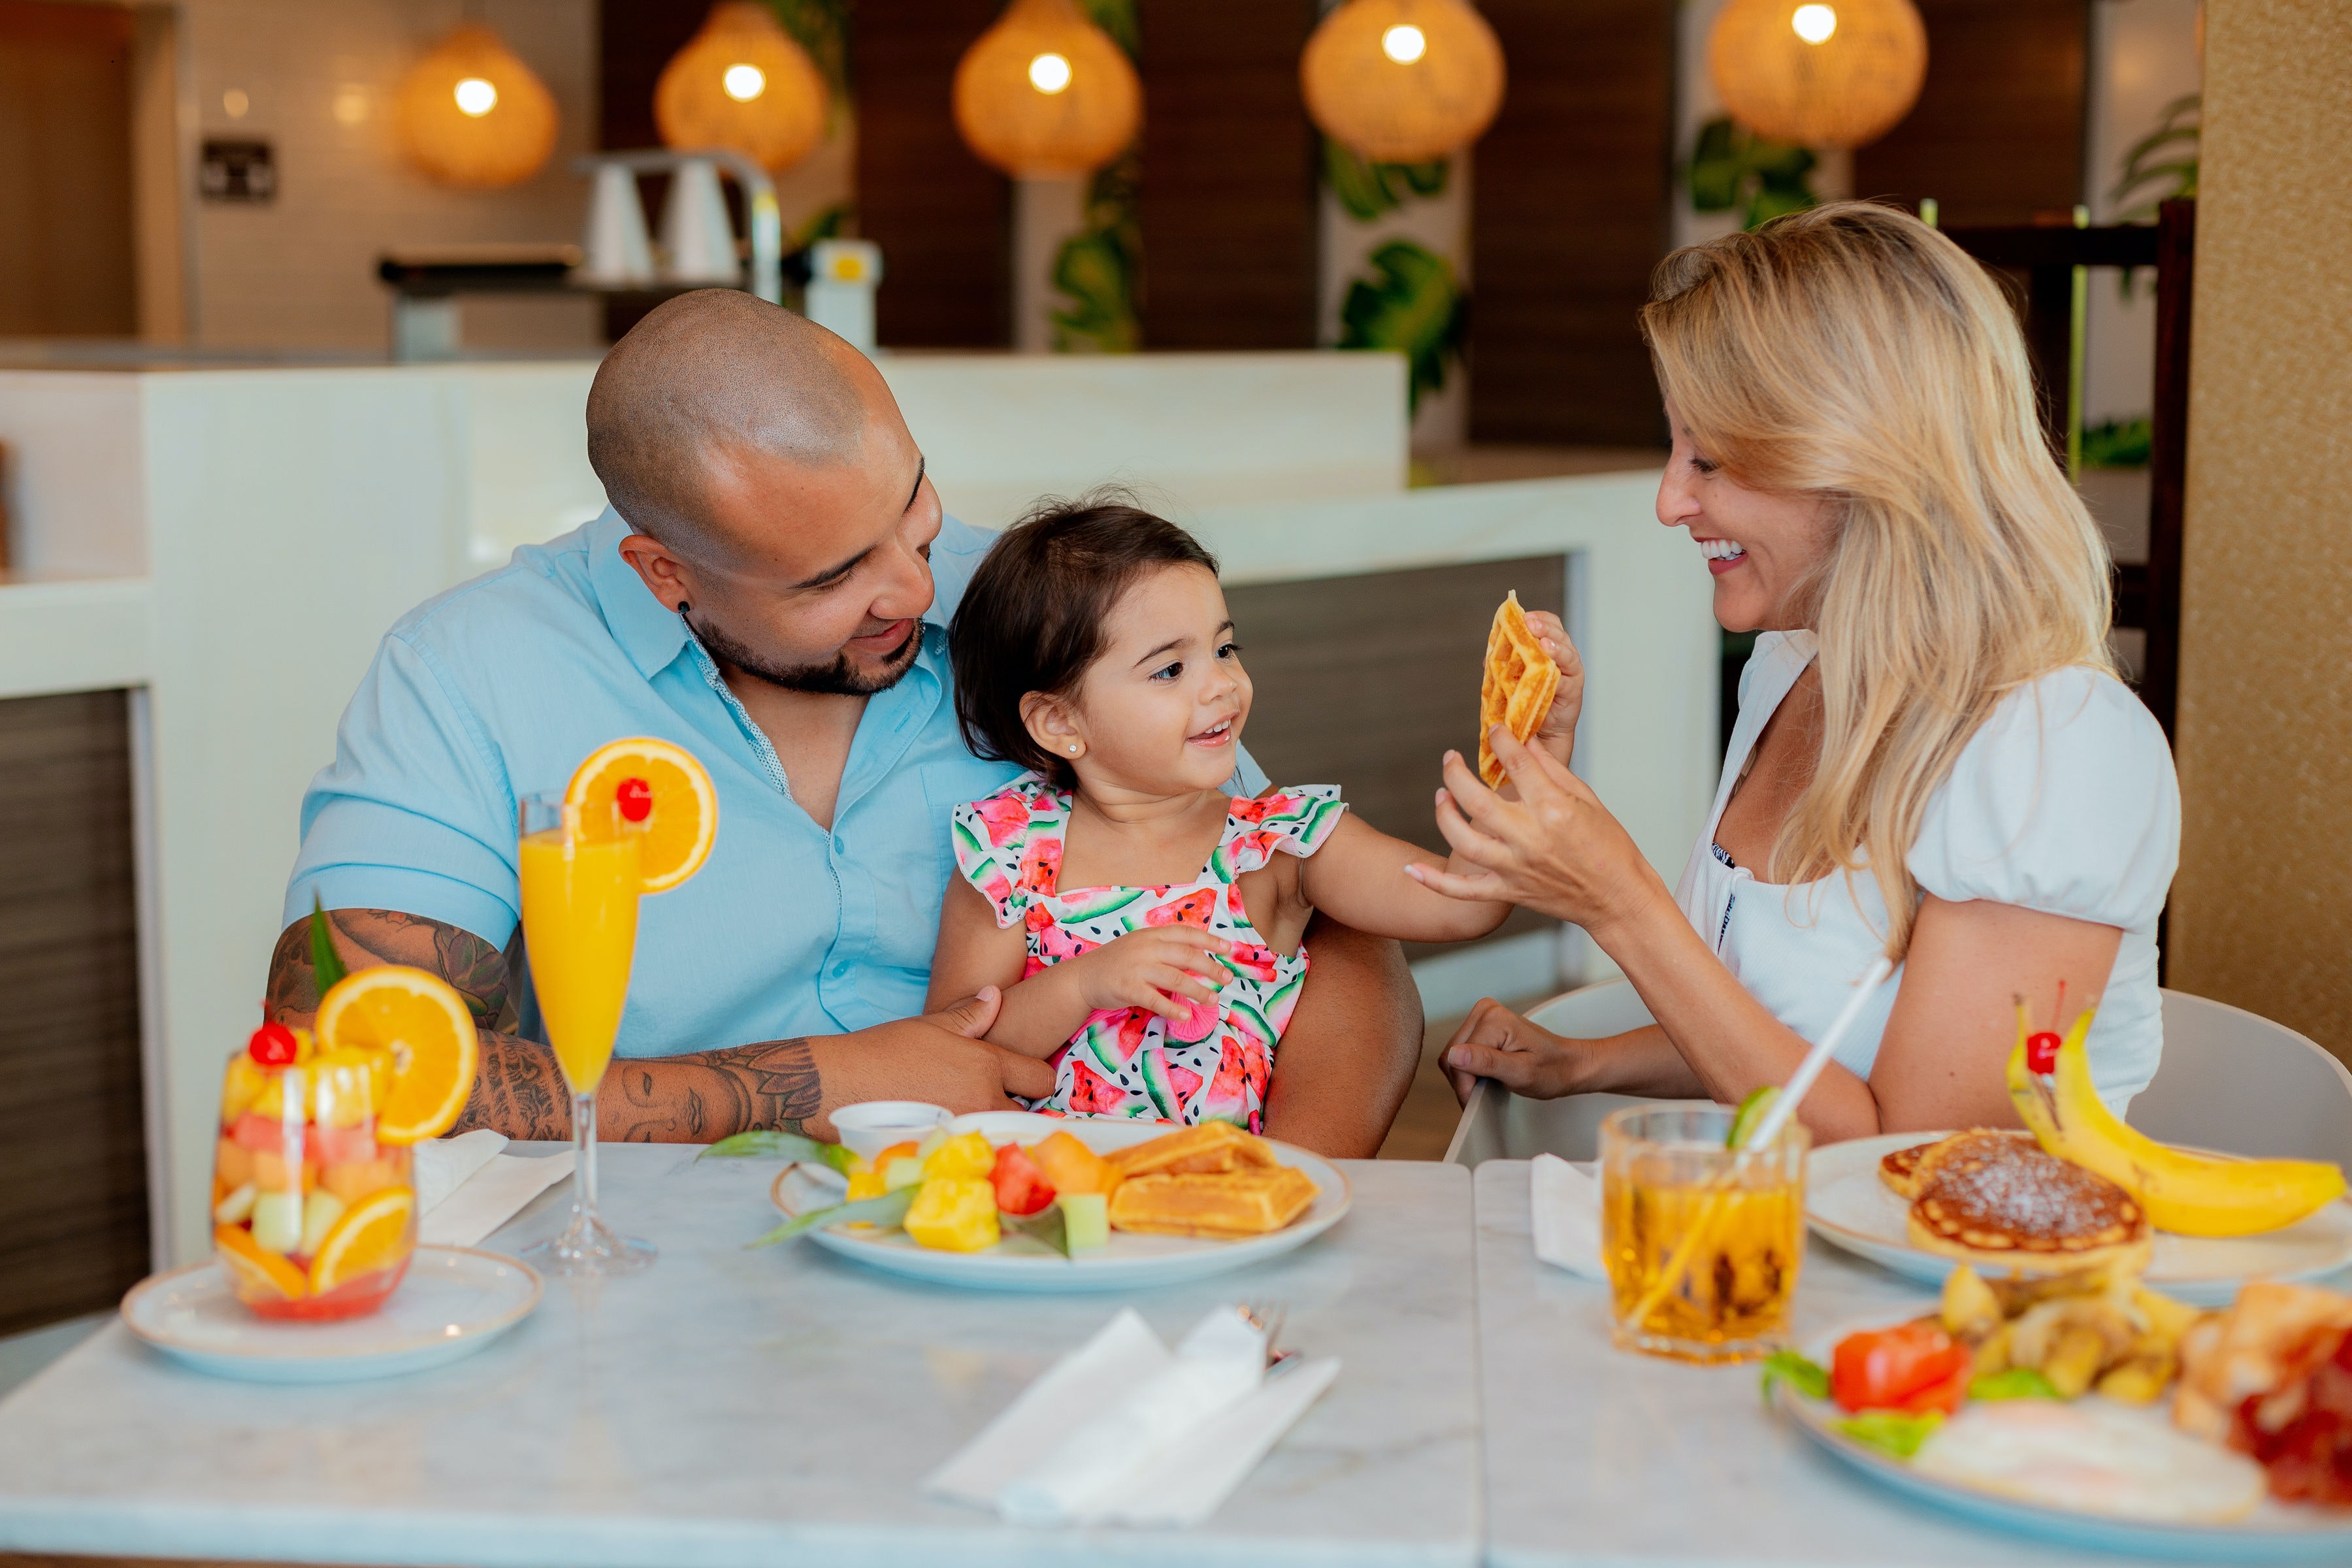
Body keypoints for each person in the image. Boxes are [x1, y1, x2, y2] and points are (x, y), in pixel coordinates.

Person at [265, 290, 1424, 1153]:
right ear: (664, 571)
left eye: (912, 513)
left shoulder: (1048, 609)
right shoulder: (470, 671)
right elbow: (353, 1061)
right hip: (654, 1288)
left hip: (1057, 1233)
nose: (920, 595)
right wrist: (840, 1074)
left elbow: (1326, 930)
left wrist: (1261, 1200)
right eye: (832, 580)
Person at [1413, 203, 2180, 1142]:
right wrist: (1584, 1063)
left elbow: (1912, 1166)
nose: (1670, 500)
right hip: (1764, 1249)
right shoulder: (1789, 667)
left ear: (1867, 461)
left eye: (1714, 458)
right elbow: (1809, 1038)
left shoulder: (2057, 750)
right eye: (1675, 447)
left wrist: (1617, 902)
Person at [928, 499, 1549, 1128]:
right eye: (1170, 669)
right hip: (1046, 1203)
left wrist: (1531, 751)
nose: (1223, 684)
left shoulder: (1278, 843)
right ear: (1061, 722)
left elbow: (1467, 902)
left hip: (1227, 1210)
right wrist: (1083, 986)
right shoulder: (1007, 850)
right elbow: (950, 1055)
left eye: (1224, 649)